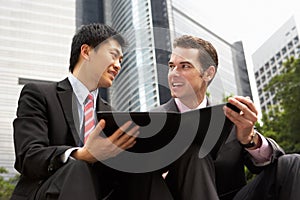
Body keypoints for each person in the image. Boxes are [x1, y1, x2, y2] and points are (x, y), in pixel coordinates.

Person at [11, 23, 168, 200]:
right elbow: (28, 156)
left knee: (146, 173)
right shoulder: (39, 94)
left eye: (121, 61)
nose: (118, 65)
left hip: (101, 192)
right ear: (86, 52)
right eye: (113, 56)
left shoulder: (113, 116)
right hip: (48, 190)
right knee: (79, 167)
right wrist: (81, 155)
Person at [151, 35, 300, 200]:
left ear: (208, 73)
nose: (173, 74)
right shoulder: (151, 121)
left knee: (292, 162)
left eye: (184, 66)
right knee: (193, 150)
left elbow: (275, 160)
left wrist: (249, 139)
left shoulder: (230, 117)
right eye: (172, 66)